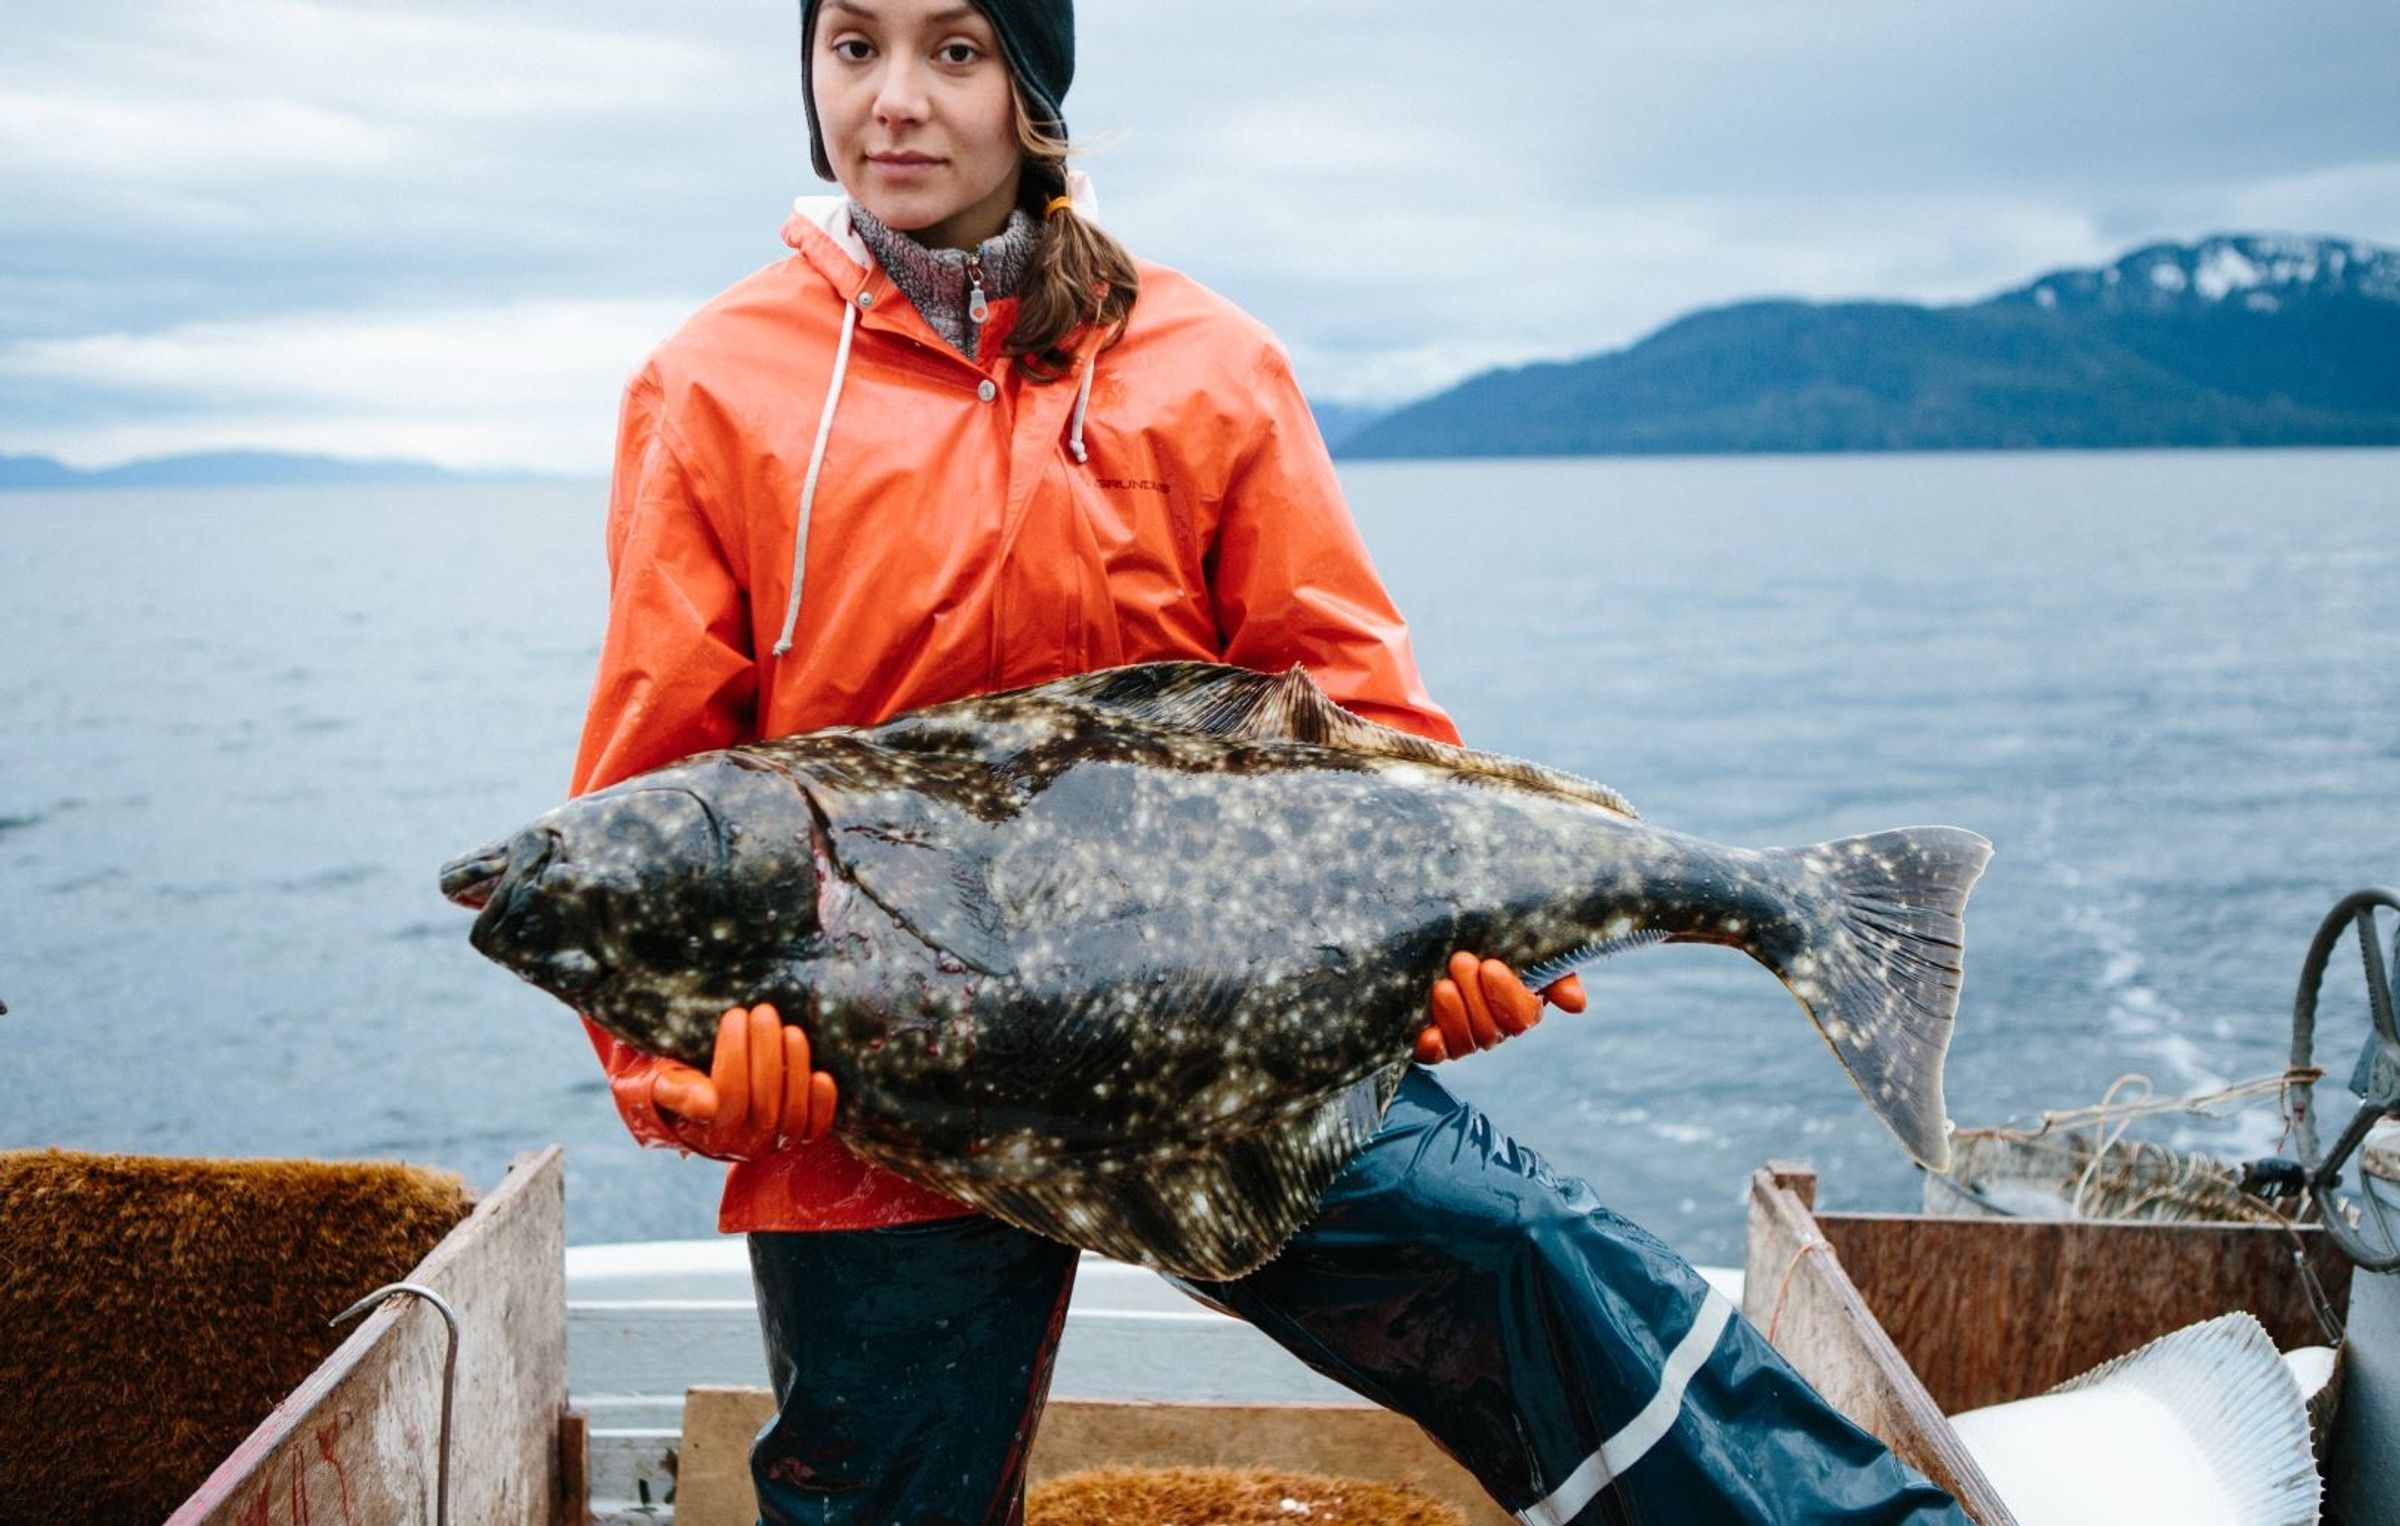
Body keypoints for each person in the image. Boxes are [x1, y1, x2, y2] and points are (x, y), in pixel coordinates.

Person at [568, 2, 1971, 1521]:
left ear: (1031, 86)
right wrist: (687, 1077)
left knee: (1533, 1263)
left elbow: (1362, 730)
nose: (894, 99)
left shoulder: (1208, 364)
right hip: (887, 1103)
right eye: (853, 45)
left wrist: (1444, 970)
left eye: (955, 49)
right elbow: (656, 794)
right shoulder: (711, 387)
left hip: (1239, 1052)